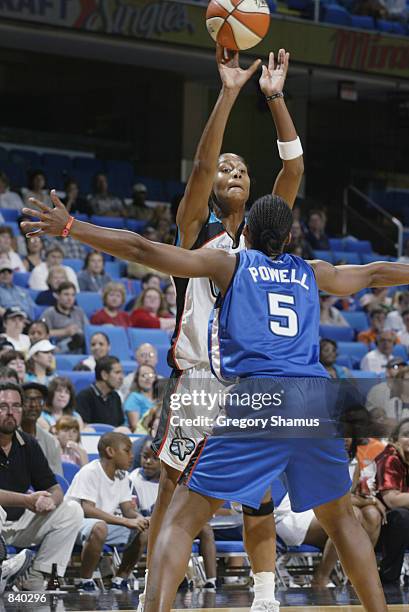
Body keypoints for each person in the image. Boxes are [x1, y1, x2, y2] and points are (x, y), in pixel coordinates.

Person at [22, 46, 305, 612]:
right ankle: (158, 602)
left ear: (254, 192)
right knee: (174, 495)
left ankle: (267, 600)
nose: (233, 173)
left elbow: (293, 168)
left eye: (242, 170)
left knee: (260, 496)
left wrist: (274, 99)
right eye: (228, 167)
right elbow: (200, 169)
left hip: (251, 387)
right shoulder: (194, 233)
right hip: (200, 385)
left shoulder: (263, 237)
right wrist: (227, 94)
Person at [0, 381, 83, 590]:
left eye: (16, 406)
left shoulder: (28, 443)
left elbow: (55, 488)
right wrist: (27, 500)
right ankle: (3, 569)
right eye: (3, 406)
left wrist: (48, 501)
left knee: (72, 510)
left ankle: (34, 573)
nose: (10, 412)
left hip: (20, 523)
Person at [130, 437, 217, 590]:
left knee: (205, 529)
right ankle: (153, 575)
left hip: (174, 520)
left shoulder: (178, 479)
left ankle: (211, 581)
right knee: (154, 533)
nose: (148, 462)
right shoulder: (134, 478)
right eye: (145, 457)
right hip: (146, 521)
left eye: (154, 458)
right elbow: (131, 509)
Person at [66, 432, 149, 592]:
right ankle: (85, 580)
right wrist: (125, 521)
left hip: (102, 525)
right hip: (74, 524)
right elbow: (87, 510)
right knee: (99, 527)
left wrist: (140, 519)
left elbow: (128, 510)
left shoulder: (122, 476)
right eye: (127, 451)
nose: (132, 456)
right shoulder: (90, 471)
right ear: (110, 452)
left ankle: (120, 579)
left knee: (143, 530)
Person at [375, 418, 409, 584]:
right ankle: (389, 577)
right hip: (383, 524)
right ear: (395, 439)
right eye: (406, 435)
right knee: (401, 516)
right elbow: (393, 501)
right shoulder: (389, 458)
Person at [21, 382, 63, 475]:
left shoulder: (51, 442)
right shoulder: (7, 437)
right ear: (19, 404)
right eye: (28, 399)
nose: (34, 405)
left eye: (39, 400)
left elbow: (58, 479)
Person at [75, 356, 125, 427]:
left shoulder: (115, 396)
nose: (121, 377)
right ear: (104, 375)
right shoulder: (84, 397)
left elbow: (120, 425)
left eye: (122, 373)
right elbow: (83, 427)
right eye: (117, 373)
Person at [42, 281, 88, 353]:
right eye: (66, 294)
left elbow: (88, 331)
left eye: (72, 295)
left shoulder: (79, 312)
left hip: (80, 346)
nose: (70, 298)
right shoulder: (49, 313)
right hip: (58, 348)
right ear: (57, 295)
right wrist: (65, 332)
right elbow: (42, 334)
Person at [124, 365, 157, 433]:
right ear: (137, 379)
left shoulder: (160, 398)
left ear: (155, 378)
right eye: (144, 375)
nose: (148, 378)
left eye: (151, 375)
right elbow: (135, 426)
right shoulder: (134, 397)